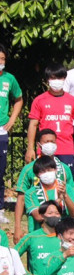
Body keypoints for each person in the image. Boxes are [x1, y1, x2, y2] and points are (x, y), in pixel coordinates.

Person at [26, 64, 74, 169]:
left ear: (64, 78)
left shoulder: (73, 100)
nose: (56, 81)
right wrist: (30, 148)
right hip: (45, 148)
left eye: (59, 77)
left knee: (66, 181)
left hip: (66, 149)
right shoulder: (39, 100)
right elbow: (33, 125)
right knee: (44, 179)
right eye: (53, 78)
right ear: (48, 79)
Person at [0, 44, 23, 213]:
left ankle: (0, 209)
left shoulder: (10, 79)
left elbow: (19, 99)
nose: (1, 62)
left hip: (1, 129)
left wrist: (12, 119)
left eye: (2, 59)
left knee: (0, 169)